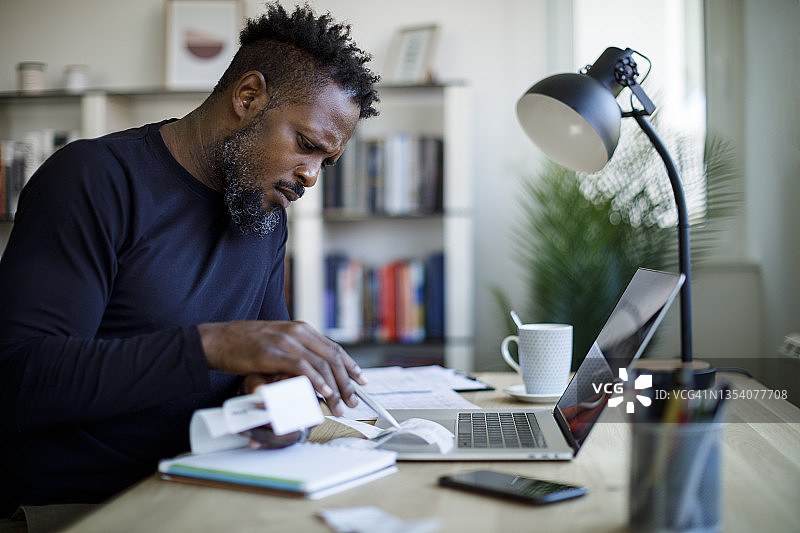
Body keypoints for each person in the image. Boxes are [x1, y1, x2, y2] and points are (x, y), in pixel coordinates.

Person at [0, 1, 380, 524]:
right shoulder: (94, 179)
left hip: (209, 484)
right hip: (82, 506)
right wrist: (215, 345)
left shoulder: (263, 212)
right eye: (306, 144)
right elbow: (18, 378)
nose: (312, 176)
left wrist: (272, 396)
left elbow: (266, 361)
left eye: (326, 161)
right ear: (248, 97)